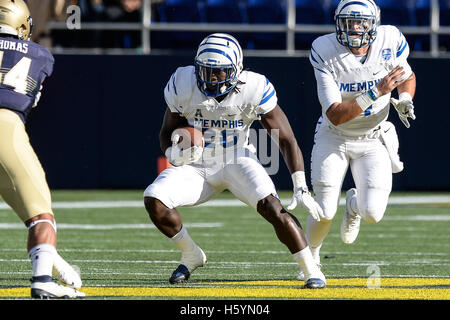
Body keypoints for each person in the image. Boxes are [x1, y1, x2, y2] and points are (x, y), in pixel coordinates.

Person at [144, 33, 326, 289]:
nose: (211, 79)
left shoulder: (254, 87)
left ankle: (311, 270)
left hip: (237, 157)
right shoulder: (183, 81)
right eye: (206, 71)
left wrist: (300, 185)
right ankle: (191, 254)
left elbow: (285, 139)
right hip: (196, 164)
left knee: (274, 208)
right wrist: (172, 152)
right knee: (154, 199)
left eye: (219, 72)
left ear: (236, 70)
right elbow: (167, 131)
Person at [297, 0, 416, 279]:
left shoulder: (390, 39)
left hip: (373, 138)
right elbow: (337, 115)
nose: (354, 29)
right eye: (348, 22)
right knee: (324, 210)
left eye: (360, 22)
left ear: (373, 23)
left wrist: (405, 98)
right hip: (334, 136)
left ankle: (353, 205)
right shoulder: (324, 51)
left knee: (373, 213)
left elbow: (406, 77)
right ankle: (310, 259)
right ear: (338, 23)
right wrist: (377, 92)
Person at [0, 0, 85, 298]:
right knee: (41, 216)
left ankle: (51, 264)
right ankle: (42, 280)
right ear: (22, 24)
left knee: (30, 214)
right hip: (5, 129)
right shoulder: (41, 55)